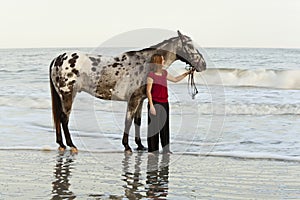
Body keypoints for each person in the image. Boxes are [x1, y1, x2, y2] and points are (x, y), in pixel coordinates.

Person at [146, 54, 193, 153]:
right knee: (153, 128)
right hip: (155, 103)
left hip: (164, 103)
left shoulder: (164, 73)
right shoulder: (151, 75)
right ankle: (152, 150)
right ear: (158, 62)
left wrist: (187, 73)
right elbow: (148, 92)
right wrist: (151, 106)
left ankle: (166, 149)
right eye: (162, 60)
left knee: (165, 127)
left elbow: (175, 80)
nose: (164, 62)